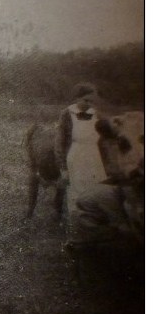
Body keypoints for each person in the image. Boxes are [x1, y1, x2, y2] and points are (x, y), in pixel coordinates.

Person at [55, 83, 106, 215]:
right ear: (77, 98)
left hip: (94, 158)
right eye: (86, 100)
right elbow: (60, 142)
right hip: (76, 157)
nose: (89, 104)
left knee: (95, 190)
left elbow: (104, 140)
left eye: (92, 101)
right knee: (76, 191)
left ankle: (92, 221)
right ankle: (76, 223)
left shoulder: (96, 114)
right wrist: (63, 168)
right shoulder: (67, 113)